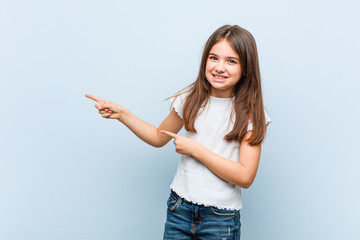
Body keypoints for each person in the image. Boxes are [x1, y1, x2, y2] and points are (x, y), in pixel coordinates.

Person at [85, 24, 271, 240]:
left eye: (231, 61)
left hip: (220, 218)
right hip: (179, 208)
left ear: (246, 68)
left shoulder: (251, 114)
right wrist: (123, 114)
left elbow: (245, 176)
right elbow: (157, 137)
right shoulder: (190, 98)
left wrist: (195, 150)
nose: (220, 67)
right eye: (213, 58)